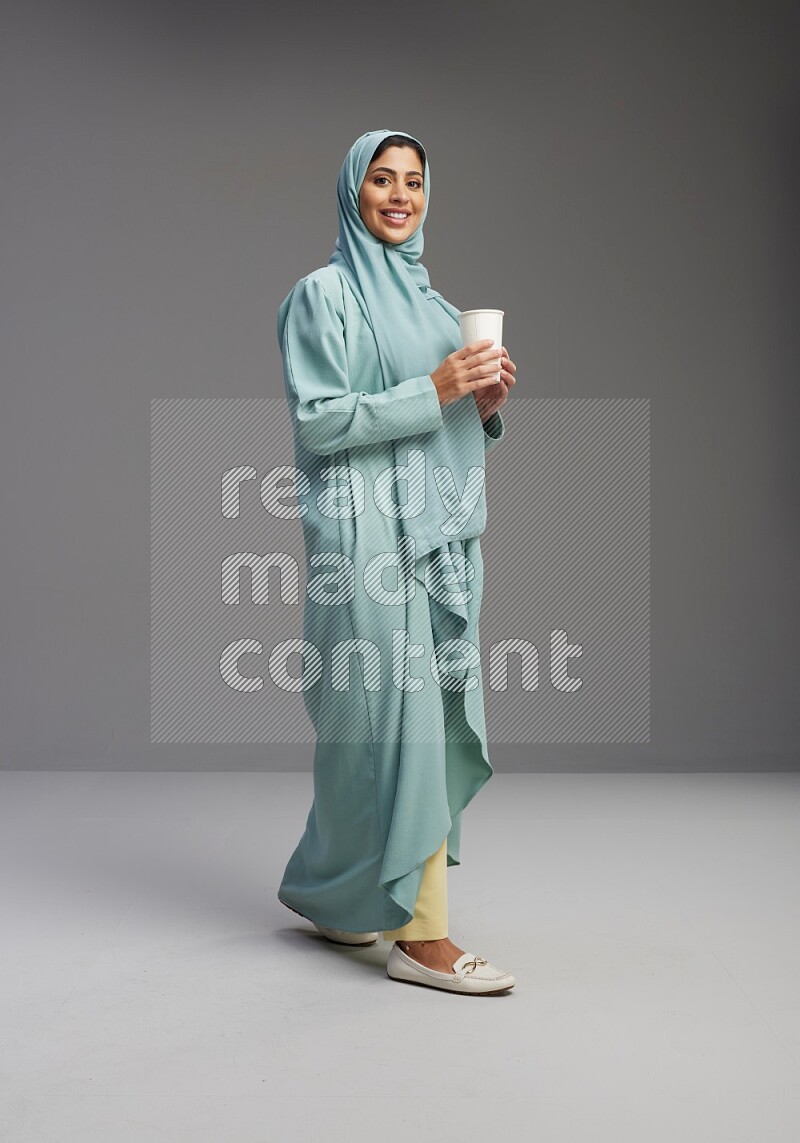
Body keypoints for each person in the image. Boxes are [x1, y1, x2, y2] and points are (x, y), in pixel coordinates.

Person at [276, 129, 518, 995]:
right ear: (353, 189)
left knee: (390, 724)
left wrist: (480, 404)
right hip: (364, 538)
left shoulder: (435, 305)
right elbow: (320, 421)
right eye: (382, 179)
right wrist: (438, 389)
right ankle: (423, 937)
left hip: (436, 538)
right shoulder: (323, 295)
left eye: (414, 181)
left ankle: (336, 898)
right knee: (380, 723)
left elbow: (442, 417)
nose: (400, 195)